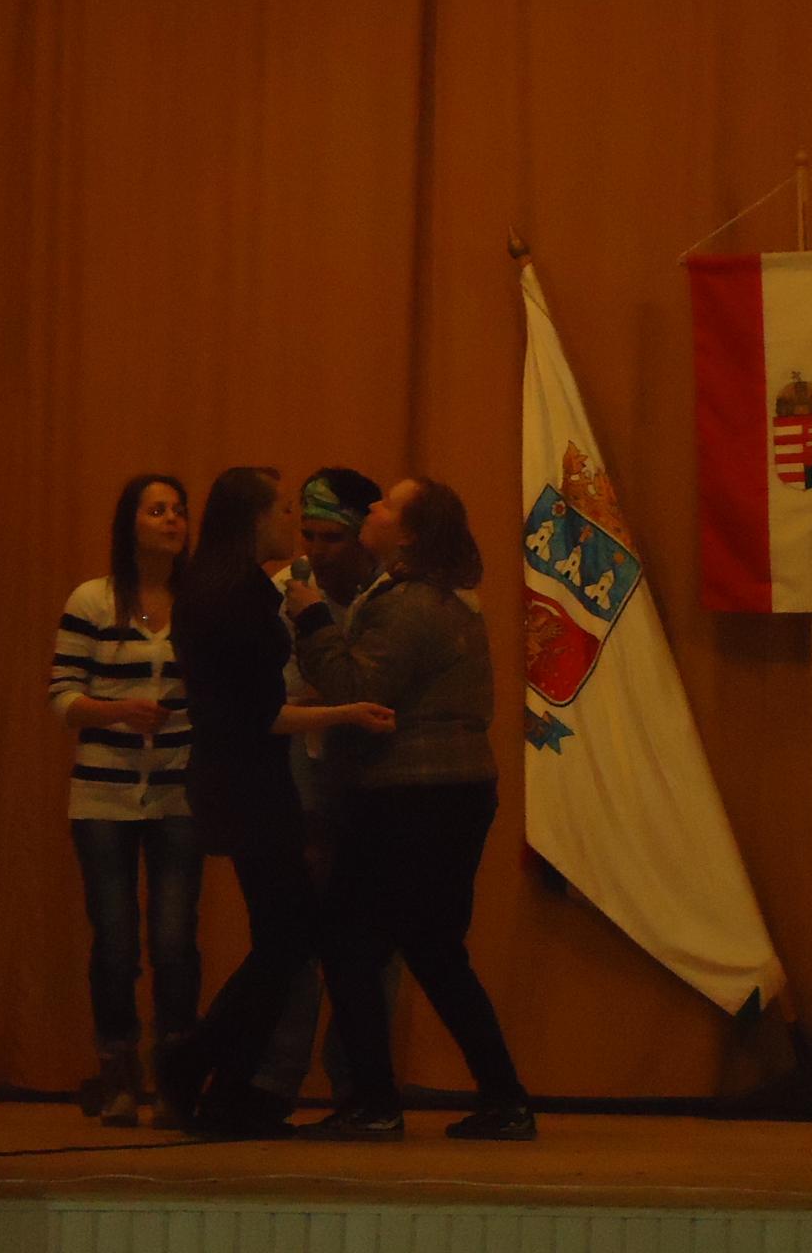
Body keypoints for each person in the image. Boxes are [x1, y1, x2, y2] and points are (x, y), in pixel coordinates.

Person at [286, 476, 536, 1141]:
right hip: (449, 792)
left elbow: (356, 687)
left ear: (411, 535)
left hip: (410, 796)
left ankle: (375, 1103)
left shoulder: (409, 606)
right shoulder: (439, 596)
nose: (373, 507)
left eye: (388, 505)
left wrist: (310, 618)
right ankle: (502, 1099)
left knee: (349, 942)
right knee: (433, 950)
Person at [166, 465, 395, 1136]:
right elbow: (262, 712)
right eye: (286, 510)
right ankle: (201, 1064)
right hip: (251, 785)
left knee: (284, 940)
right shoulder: (241, 596)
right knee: (287, 941)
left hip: (241, 780)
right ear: (254, 518)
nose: (293, 525)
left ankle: (221, 1081)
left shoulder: (217, 586)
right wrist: (347, 711)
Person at [244, 468, 399, 1115]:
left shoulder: (393, 596)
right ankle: (275, 1081)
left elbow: (382, 695)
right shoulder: (283, 592)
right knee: (291, 939)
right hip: (299, 787)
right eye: (307, 534)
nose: (315, 550)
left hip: (377, 792)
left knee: (371, 948)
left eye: (331, 537)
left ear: (363, 535)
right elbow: (279, 703)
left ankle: (360, 1084)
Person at [48, 474, 199, 1128]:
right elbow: (61, 696)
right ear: (129, 524)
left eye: (179, 510)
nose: (171, 520)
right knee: (114, 942)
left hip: (178, 791)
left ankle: (176, 1077)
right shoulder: (93, 599)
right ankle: (118, 1071)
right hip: (103, 794)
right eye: (156, 509)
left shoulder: (198, 603)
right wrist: (119, 710)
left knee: (174, 941)